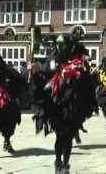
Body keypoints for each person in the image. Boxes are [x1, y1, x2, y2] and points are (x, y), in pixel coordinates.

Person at [30, 34, 96, 174]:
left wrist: (80, 76)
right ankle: (58, 161)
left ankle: (66, 164)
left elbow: (87, 83)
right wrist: (35, 73)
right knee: (60, 136)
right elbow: (44, 76)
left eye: (63, 45)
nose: (60, 48)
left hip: (73, 106)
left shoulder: (78, 62)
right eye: (58, 45)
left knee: (69, 137)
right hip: (57, 105)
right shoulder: (53, 60)